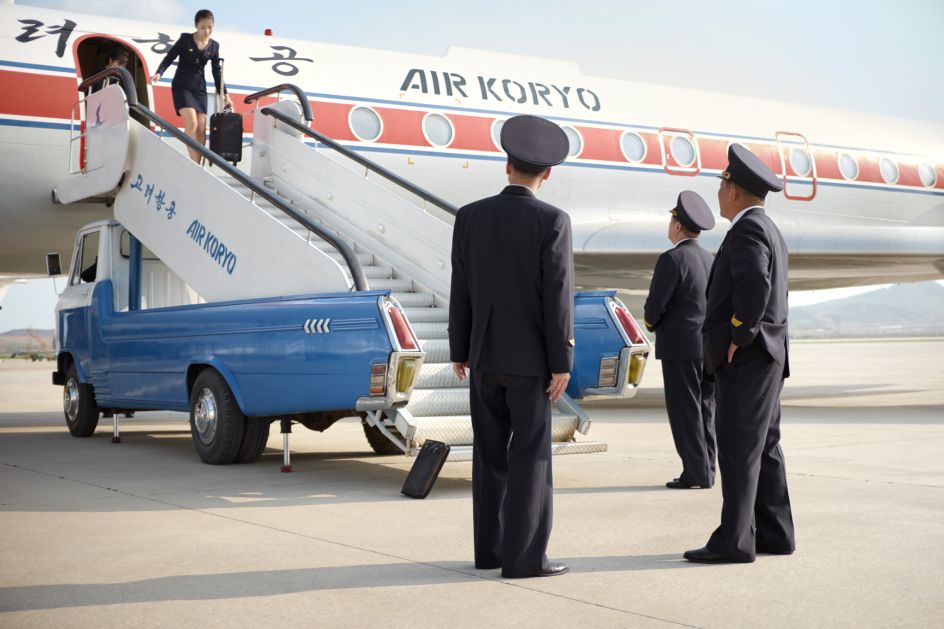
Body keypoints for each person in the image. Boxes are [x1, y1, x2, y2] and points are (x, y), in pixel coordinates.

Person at [449, 114, 574, 579]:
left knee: (490, 457)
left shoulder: (470, 216)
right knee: (531, 458)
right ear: (547, 174)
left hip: (482, 361)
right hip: (529, 365)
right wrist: (561, 359)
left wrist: (460, 350)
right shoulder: (552, 221)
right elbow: (555, 295)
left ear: (506, 166)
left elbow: (461, 289)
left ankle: (490, 552)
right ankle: (525, 560)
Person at [684, 144, 796, 564]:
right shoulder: (768, 228)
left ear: (732, 190)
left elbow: (754, 284)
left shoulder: (748, 231)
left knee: (737, 448)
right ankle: (775, 533)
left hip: (747, 358)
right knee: (764, 446)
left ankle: (733, 542)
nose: (717, 192)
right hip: (769, 356)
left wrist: (738, 333)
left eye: (720, 183)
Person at [643, 190, 717, 490]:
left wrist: (651, 323)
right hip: (707, 346)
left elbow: (655, 305)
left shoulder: (672, 259)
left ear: (677, 225)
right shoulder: (709, 260)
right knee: (706, 409)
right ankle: (709, 469)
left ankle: (695, 473)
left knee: (685, 411)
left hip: (679, 348)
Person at [149, 9, 233, 163]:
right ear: (196, 26)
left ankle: (198, 165)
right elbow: (170, 57)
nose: (207, 31)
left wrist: (226, 95)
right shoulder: (185, 39)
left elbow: (217, 73)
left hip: (199, 88)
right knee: (192, 123)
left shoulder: (214, 46)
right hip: (182, 86)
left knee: (201, 130)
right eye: (203, 27)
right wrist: (159, 73)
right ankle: (194, 165)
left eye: (210, 27)